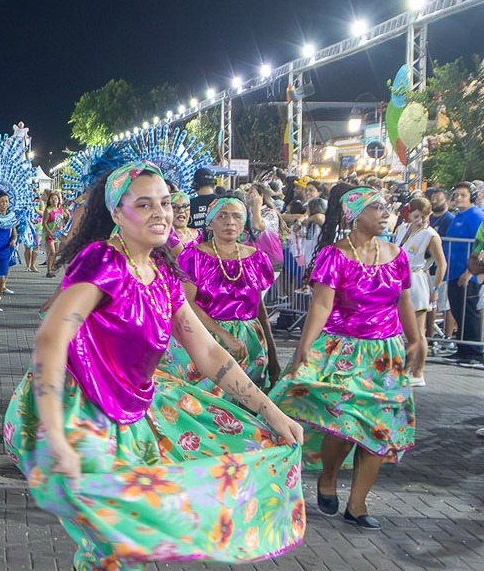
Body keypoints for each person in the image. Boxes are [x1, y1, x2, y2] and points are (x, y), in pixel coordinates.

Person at [3, 161, 304, 571]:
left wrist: (273, 411)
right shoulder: (104, 261)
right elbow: (50, 338)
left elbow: (210, 354)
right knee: (126, 538)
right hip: (75, 412)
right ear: (117, 213)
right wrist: (56, 434)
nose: (161, 212)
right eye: (144, 203)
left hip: (130, 417)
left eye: (165, 202)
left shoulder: (162, 275)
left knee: (114, 540)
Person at [271, 185, 423, 529]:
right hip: (344, 352)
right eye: (376, 208)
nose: (385, 214)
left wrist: (416, 338)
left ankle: (358, 505)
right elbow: (322, 304)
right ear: (354, 215)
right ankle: (327, 477)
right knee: (344, 424)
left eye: (386, 207)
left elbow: (403, 301)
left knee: (379, 430)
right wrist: (304, 346)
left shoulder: (396, 254)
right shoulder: (334, 255)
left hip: (386, 356)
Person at [163, 195, 280, 392]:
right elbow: (188, 304)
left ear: (244, 224)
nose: (230, 222)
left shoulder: (257, 258)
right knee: (208, 402)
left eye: (236, 216)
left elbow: (259, 308)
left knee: (246, 403)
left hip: (249, 342)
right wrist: (223, 334)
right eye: (222, 216)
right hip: (206, 338)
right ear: (210, 224)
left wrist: (273, 352)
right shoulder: (194, 257)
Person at [393, 197, 446, 385]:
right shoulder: (402, 229)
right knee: (400, 329)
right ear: (409, 215)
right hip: (399, 280)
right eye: (416, 216)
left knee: (418, 330)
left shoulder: (430, 235)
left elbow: (441, 264)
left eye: (424, 217)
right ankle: (405, 367)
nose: (420, 221)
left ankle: (418, 372)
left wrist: (436, 287)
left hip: (417, 280)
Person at [443, 182, 482, 365]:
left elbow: (478, 245)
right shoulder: (458, 215)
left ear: (472, 197)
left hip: (467, 273)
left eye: (463, 195)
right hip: (453, 270)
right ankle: (462, 348)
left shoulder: (476, 216)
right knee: (458, 310)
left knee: (469, 311)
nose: (458, 198)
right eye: (456, 195)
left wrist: (469, 272)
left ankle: (473, 351)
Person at [42, 189, 69, 277]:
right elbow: (44, 223)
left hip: (58, 233)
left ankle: (52, 269)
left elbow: (66, 219)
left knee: (56, 252)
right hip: (50, 233)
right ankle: (49, 270)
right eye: (52, 198)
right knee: (52, 252)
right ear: (49, 200)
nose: (54, 200)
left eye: (56, 198)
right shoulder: (48, 210)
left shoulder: (60, 210)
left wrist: (68, 215)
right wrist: (50, 233)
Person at [186, 167, 219, 231]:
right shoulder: (222, 202)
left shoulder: (189, 205)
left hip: (197, 240)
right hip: (218, 240)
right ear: (214, 185)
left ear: (196, 186)